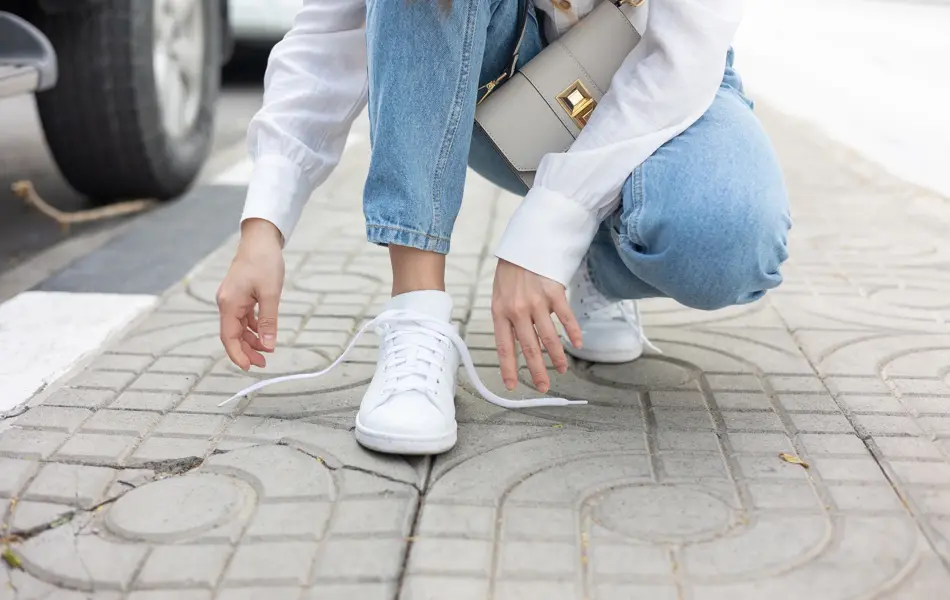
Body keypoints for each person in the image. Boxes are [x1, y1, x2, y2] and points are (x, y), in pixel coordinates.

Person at [216, 0, 790, 456]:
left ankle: (594, 264)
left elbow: (681, 57)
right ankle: (417, 317)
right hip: (497, 70)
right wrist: (264, 225)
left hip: (657, 66)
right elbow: (333, 34)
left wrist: (548, 235)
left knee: (727, 237)